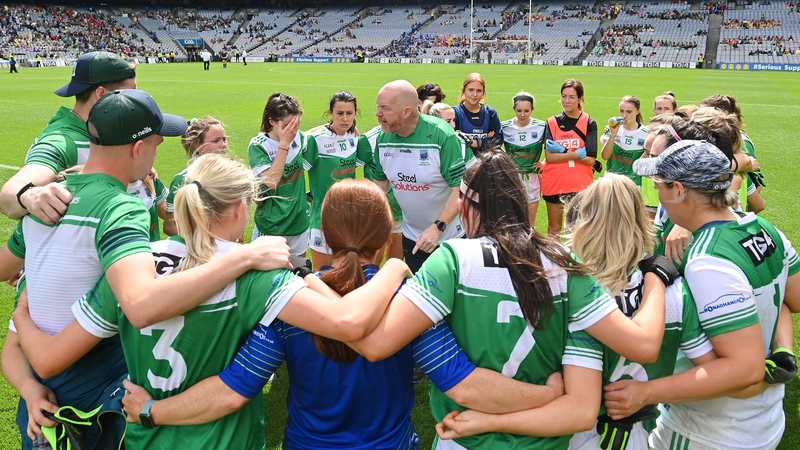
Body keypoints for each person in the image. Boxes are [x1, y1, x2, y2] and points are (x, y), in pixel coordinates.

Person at [117, 178, 569, 449]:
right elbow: (463, 383)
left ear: (326, 235)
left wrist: (154, 410)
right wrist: (550, 396)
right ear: (383, 236)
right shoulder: (404, 300)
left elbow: (234, 390)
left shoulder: (292, 302)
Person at [11, 155, 413, 450]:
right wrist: (395, 268)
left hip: (144, 439)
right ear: (239, 208)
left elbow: (47, 359)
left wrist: (21, 318)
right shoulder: (257, 277)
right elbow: (348, 324)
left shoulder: (133, 268)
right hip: (222, 441)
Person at [0, 90, 291, 450]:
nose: (156, 153)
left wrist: (23, 322)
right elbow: (139, 304)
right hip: (100, 409)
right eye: (155, 143)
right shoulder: (122, 208)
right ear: (137, 149)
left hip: (42, 411)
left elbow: (17, 306)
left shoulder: (45, 200)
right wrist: (242, 257)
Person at [346, 150, 671, 449]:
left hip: (462, 437)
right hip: (545, 440)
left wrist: (395, 269)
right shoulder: (567, 263)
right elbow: (640, 347)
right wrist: (657, 276)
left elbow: (376, 344)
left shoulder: (453, 258)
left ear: (467, 206)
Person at [603, 140, 800, 450]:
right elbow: (793, 299)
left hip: (712, 432)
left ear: (679, 190)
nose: (659, 198)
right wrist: (783, 349)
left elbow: (744, 369)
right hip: (764, 418)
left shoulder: (708, 261)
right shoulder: (764, 228)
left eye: (660, 187)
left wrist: (646, 393)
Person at [564, 174, 715, 450]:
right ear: (641, 221)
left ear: (583, 219)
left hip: (565, 430)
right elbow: (712, 369)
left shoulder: (564, 285)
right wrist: (649, 392)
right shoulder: (675, 291)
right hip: (634, 433)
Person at [0, 51, 137, 222]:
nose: (137, 99)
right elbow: (8, 195)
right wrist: (29, 196)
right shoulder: (63, 140)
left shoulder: (105, 130)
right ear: (101, 94)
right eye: (131, 92)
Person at [370, 80, 466, 273]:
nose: (378, 113)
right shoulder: (383, 138)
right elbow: (380, 184)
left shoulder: (441, 135)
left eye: (385, 108)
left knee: (451, 299)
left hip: (447, 238)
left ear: (406, 112)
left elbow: (460, 189)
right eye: (378, 107)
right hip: (412, 237)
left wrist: (436, 228)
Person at [305, 91, 371, 269]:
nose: (345, 119)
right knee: (323, 274)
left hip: (349, 218)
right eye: (339, 113)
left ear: (355, 113)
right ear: (330, 113)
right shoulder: (316, 140)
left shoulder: (356, 139)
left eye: (349, 113)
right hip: (322, 219)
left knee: (347, 273)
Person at [248, 92, 310, 268]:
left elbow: (313, 134)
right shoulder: (259, 145)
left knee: (298, 272)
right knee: (268, 277)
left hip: (298, 221)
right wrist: (284, 144)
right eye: (287, 124)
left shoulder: (299, 137)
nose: (293, 129)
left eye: (296, 124)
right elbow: (271, 181)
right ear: (272, 121)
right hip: (272, 224)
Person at [541, 79, 598, 235]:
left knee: (577, 230)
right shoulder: (552, 122)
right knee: (554, 228)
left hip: (579, 183)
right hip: (555, 182)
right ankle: (553, 260)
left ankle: (575, 260)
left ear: (580, 99)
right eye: (564, 96)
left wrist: (562, 151)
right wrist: (575, 153)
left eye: (572, 97)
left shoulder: (589, 123)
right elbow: (550, 157)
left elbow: (591, 160)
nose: (566, 101)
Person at [164, 116, 229, 236]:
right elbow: (170, 226)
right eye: (216, 141)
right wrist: (204, 240)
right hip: (199, 251)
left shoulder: (230, 174)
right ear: (196, 145)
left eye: (224, 139)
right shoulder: (183, 180)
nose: (223, 145)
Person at [700, 94, 765, 213]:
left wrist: (744, 215)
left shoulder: (740, 141)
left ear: (724, 113)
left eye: (706, 113)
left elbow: (756, 180)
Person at [360, 125, 404, 262]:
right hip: (376, 213)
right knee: (369, 267)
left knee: (394, 265)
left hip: (403, 212)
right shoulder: (367, 139)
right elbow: (345, 167)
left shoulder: (411, 136)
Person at [501, 91, 546, 227]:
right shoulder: (504, 126)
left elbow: (552, 147)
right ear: (514, 109)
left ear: (532, 109)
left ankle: (530, 247)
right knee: (512, 221)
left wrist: (545, 163)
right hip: (511, 178)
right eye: (519, 110)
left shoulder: (542, 126)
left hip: (532, 178)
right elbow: (494, 146)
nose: (522, 114)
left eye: (526, 111)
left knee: (530, 223)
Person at [601, 95, 648, 188]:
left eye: (629, 112)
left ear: (637, 111)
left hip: (633, 184)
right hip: (611, 182)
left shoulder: (645, 133)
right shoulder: (613, 129)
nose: (624, 115)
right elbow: (605, 156)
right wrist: (613, 135)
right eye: (622, 111)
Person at [452, 73, 503, 157]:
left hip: (485, 163)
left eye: (479, 91)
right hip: (463, 163)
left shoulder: (490, 113)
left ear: (483, 92)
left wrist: (476, 142)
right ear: (463, 90)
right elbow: (453, 142)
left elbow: (498, 140)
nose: (475, 94)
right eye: (471, 90)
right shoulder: (455, 113)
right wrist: (485, 140)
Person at [427, 102, 474, 168]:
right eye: (448, 121)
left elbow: (472, 171)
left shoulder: (462, 142)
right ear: (435, 122)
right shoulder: (423, 143)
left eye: (454, 120)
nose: (453, 125)